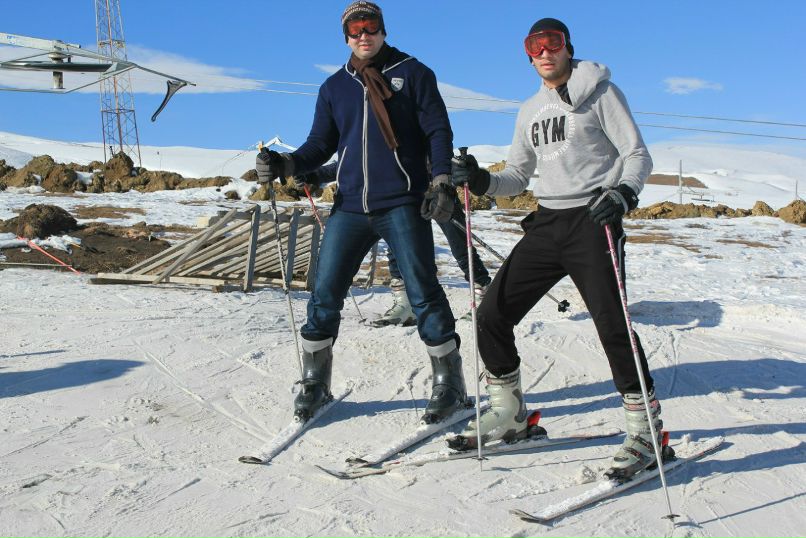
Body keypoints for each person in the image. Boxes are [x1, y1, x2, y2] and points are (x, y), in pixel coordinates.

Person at [451, 18, 660, 480]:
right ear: (527, 54)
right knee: (492, 313)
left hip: (594, 219)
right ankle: (509, 413)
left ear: (568, 47)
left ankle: (645, 430)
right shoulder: (529, 110)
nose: (544, 52)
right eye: (534, 46)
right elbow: (517, 177)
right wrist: (483, 180)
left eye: (553, 43)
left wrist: (623, 193)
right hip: (547, 222)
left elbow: (637, 154)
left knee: (612, 325)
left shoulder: (602, 93)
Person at [256, 1, 468, 424]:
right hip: (350, 206)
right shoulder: (335, 87)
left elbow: (438, 131)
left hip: (402, 203)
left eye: (370, 27)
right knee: (324, 294)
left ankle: (449, 384)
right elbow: (320, 144)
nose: (363, 35)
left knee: (424, 292)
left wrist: (442, 179)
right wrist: (288, 164)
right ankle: (316, 383)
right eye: (354, 30)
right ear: (346, 37)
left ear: (383, 31)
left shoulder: (415, 73)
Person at [297, 162, 493, 327]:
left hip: (436, 190)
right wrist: (315, 174)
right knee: (395, 246)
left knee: (459, 243)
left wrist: (453, 172)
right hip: (401, 196)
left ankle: (483, 292)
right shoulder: (370, 131)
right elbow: (350, 162)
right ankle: (404, 303)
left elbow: (436, 144)